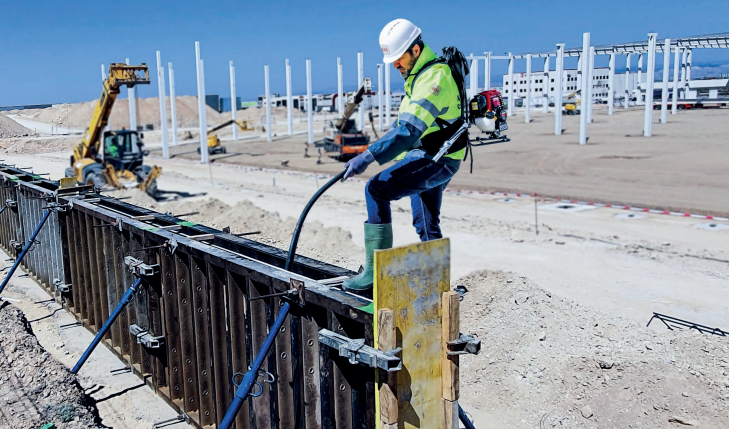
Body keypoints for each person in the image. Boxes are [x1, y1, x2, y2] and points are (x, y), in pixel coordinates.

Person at [341, 18, 465, 291]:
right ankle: (438, 285)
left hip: (437, 158)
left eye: (399, 59)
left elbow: (409, 130)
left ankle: (374, 275)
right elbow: (407, 126)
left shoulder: (435, 77)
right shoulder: (419, 76)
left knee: (376, 189)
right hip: (435, 155)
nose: (395, 65)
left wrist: (367, 156)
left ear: (416, 50)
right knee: (426, 221)